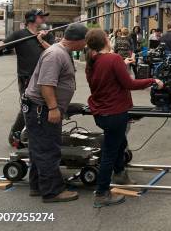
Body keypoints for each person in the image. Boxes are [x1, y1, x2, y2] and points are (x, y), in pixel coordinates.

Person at [84, 29, 163, 207]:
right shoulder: (113, 59)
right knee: (109, 153)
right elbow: (129, 84)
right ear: (105, 40)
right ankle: (101, 194)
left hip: (101, 112)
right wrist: (152, 81)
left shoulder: (93, 61)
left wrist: (122, 64)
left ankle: (120, 173)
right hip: (115, 113)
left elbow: (106, 79)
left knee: (119, 143)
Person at [23, 23, 88, 202]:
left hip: (40, 108)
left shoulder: (58, 50)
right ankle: (52, 191)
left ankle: (37, 186)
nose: (86, 45)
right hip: (42, 109)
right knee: (48, 150)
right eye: (85, 41)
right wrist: (53, 108)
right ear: (78, 41)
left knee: (39, 149)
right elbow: (46, 84)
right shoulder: (56, 54)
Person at [2, 9, 54, 146]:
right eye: (40, 16)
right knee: (28, 106)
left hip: (45, 77)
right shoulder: (19, 35)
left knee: (46, 106)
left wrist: (41, 40)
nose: (43, 18)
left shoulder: (46, 35)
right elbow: (1, 46)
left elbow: (55, 53)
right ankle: (15, 135)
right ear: (31, 18)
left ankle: (40, 135)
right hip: (27, 77)